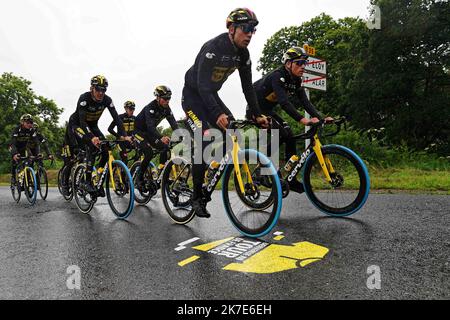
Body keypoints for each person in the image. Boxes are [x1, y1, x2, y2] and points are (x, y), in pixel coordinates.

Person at [182, 8, 269, 218]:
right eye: (246, 28)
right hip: (194, 97)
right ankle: (196, 196)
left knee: (234, 131)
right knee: (204, 137)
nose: (249, 34)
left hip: (211, 95)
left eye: (253, 30)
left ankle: (215, 168)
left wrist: (257, 114)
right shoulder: (213, 48)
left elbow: (248, 88)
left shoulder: (243, 55)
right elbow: (202, 86)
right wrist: (216, 113)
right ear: (232, 28)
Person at [247, 46, 334, 193]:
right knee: (281, 133)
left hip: (268, 110)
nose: (303, 67)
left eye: (304, 63)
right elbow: (284, 102)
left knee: (290, 135)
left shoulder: (297, 81)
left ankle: (291, 178)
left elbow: (305, 103)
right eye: (299, 63)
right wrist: (302, 120)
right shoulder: (278, 76)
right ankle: (260, 170)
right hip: (255, 111)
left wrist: (321, 118)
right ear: (288, 64)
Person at [68, 75, 132, 195]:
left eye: (104, 90)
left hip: (93, 126)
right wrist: (91, 137)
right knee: (91, 146)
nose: (101, 92)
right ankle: (86, 181)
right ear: (92, 88)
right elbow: (82, 121)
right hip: (78, 125)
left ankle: (97, 176)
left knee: (106, 149)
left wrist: (124, 135)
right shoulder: (84, 98)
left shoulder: (107, 100)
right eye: (98, 89)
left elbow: (117, 119)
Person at [134, 85, 178, 190]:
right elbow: (150, 127)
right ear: (157, 97)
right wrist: (161, 136)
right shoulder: (150, 108)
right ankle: (138, 178)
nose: (167, 101)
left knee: (165, 148)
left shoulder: (167, 108)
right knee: (149, 152)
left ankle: (161, 172)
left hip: (150, 133)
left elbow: (173, 123)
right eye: (165, 98)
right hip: (138, 132)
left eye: (169, 98)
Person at [9, 114, 40, 185]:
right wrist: (14, 154)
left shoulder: (31, 130)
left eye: (31, 122)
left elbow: (36, 143)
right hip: (14, 147)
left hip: (24, 148)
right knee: (15, 161)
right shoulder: (17, 129)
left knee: (29, 160)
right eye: (27, 122)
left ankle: (28, 179)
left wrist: (38, 153)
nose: (30, 124)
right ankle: (13, 177)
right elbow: (12, 143)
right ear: (22, 122)